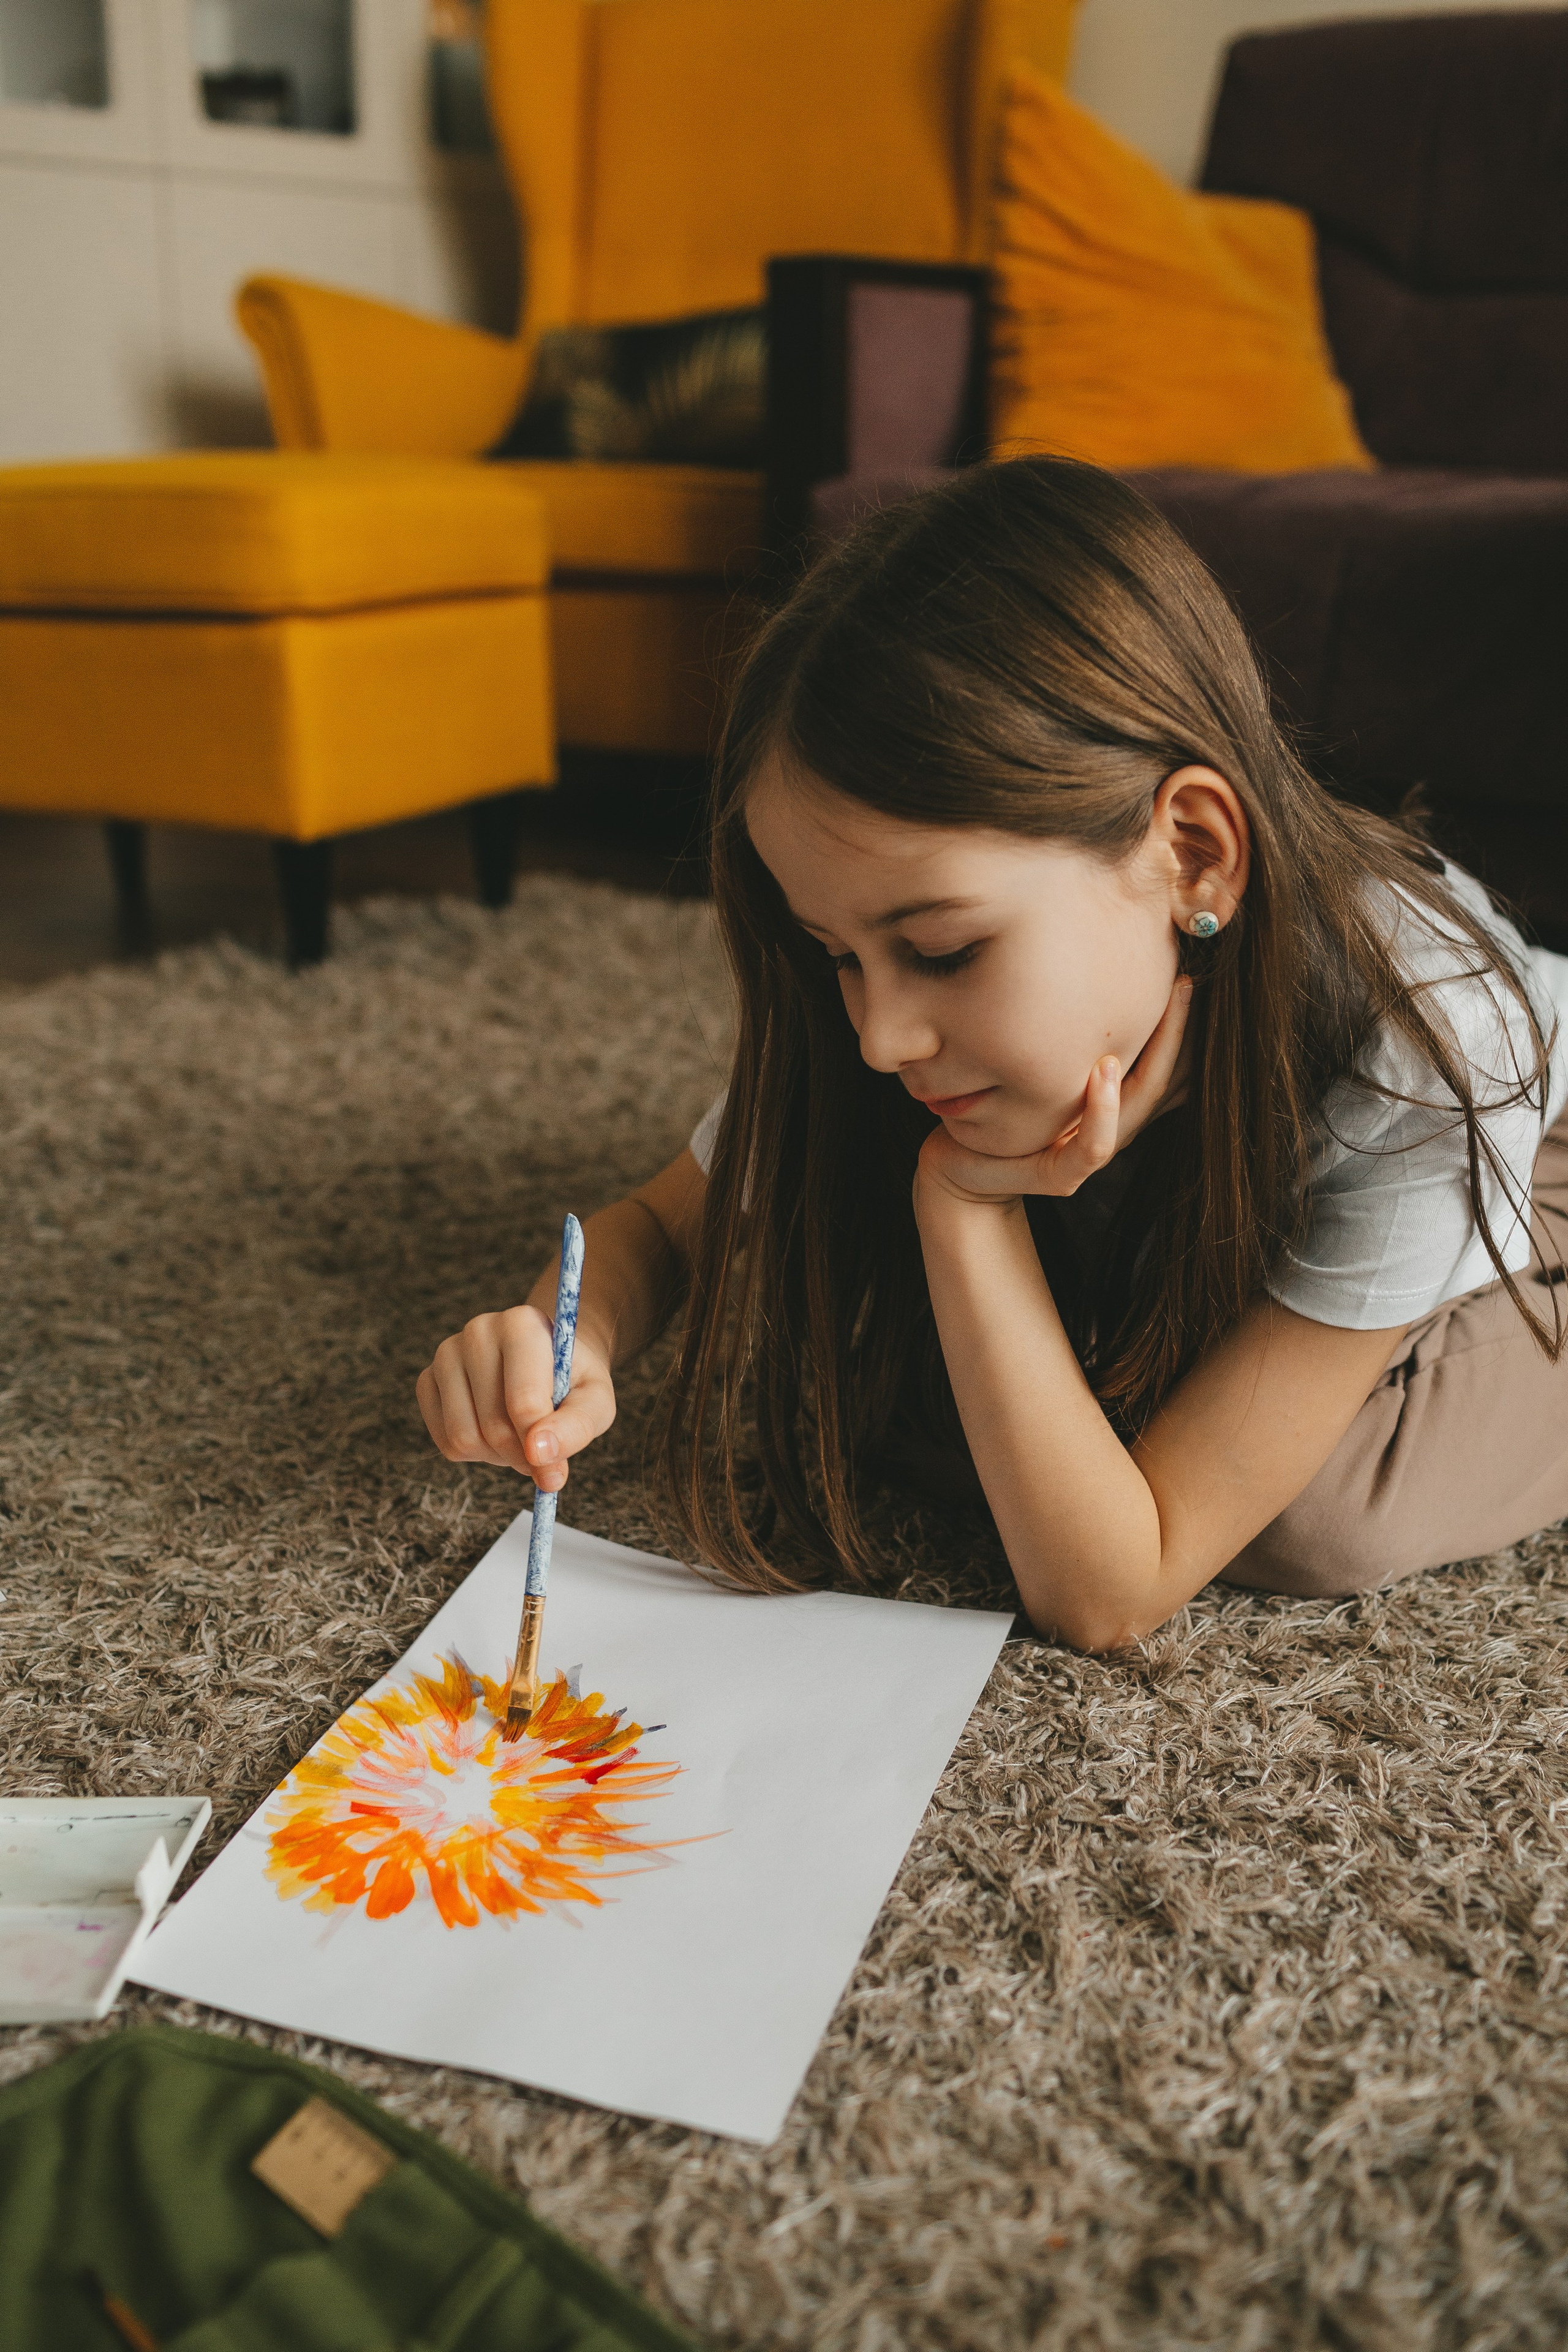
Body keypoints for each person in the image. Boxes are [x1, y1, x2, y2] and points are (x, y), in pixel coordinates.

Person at [417, 459, 1568, 1650]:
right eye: (835, 954)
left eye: (945, 951)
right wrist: (568, 1336)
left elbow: (1108, 1589)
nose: (878, 1038)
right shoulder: (888, 996)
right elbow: (662, 1227)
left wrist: (963, 1209)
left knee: (1311, 1514)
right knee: (957, 1397)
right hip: (1225, 1160)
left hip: (1532, 1148)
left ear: (1191, 853)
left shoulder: (1422, 1050)